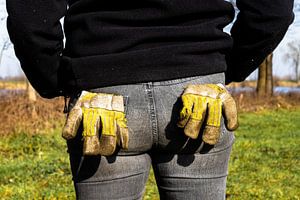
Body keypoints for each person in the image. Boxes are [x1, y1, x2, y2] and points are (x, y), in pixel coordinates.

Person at [6, 0, 294, 199]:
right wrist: (220, 68)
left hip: (101, 98)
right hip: (200, 93)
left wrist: (59, 80)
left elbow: (29, 16)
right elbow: (272, 10)